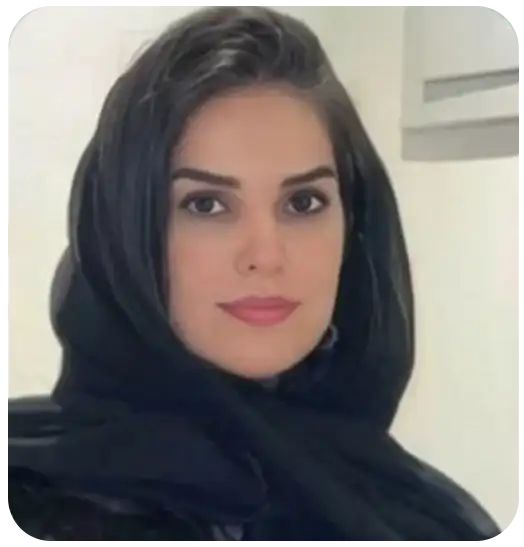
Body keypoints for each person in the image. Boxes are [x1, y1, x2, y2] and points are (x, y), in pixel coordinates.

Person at [8, 6, 502, 544]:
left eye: (303, 202)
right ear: (124, 233)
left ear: (355, 225)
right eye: (206, 205)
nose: (265, 254)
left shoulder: (420, 517)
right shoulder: (35, 508)